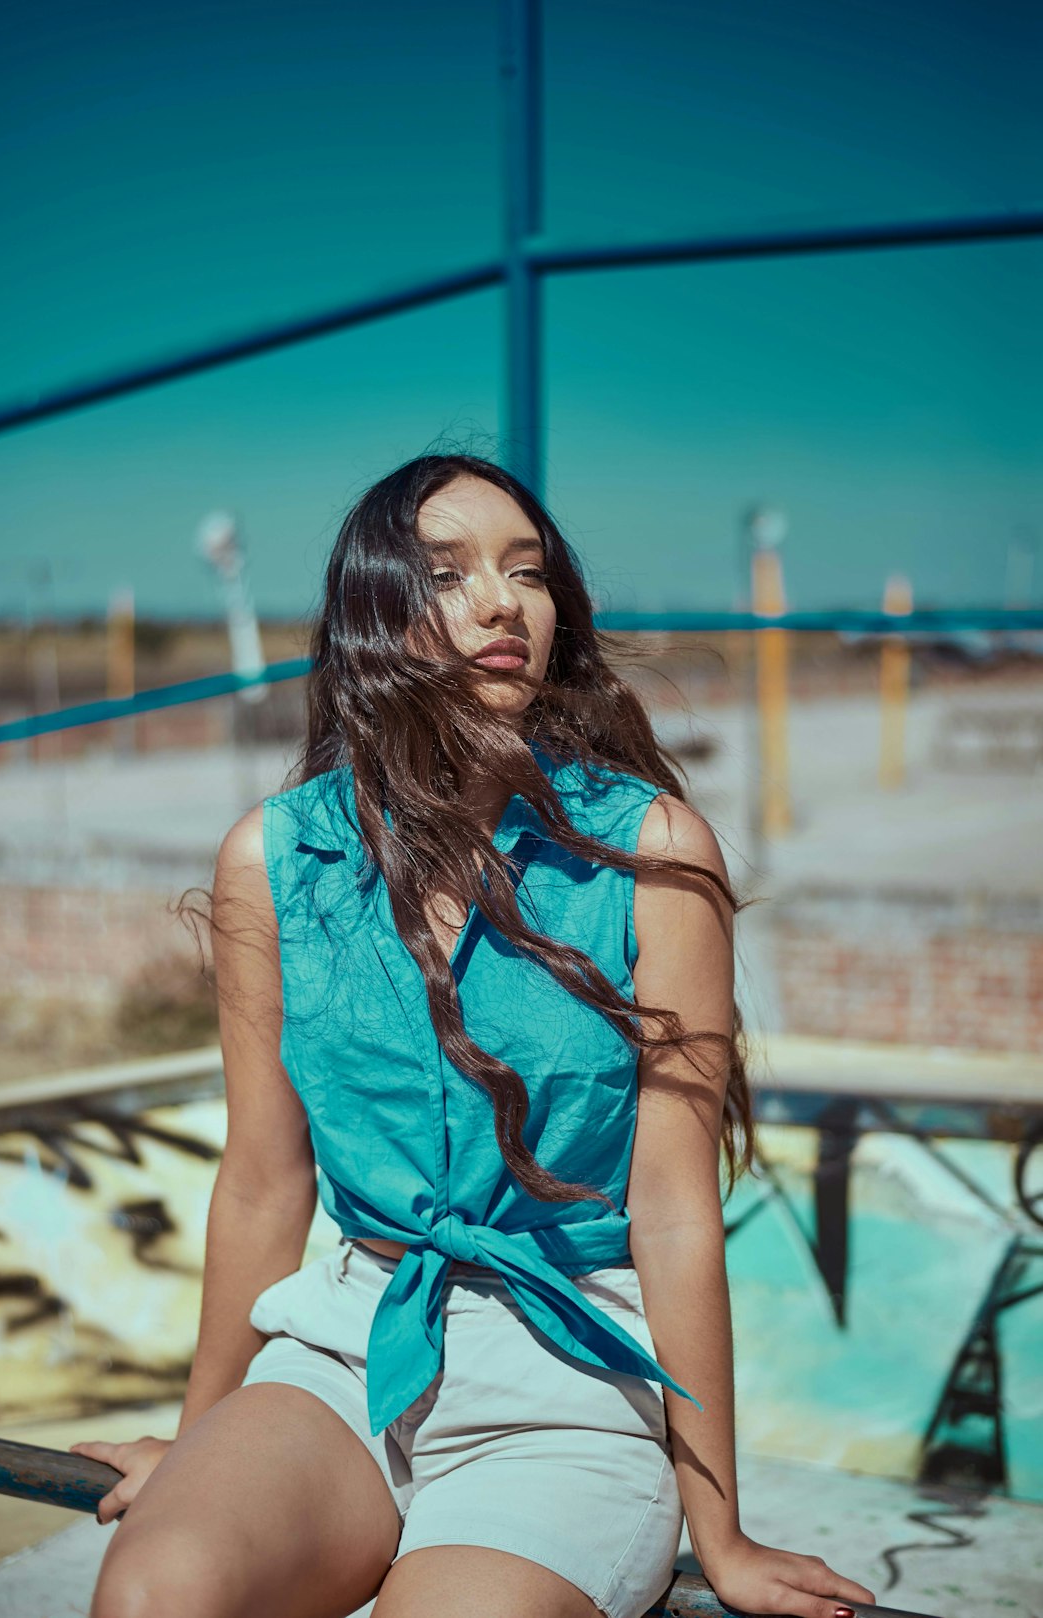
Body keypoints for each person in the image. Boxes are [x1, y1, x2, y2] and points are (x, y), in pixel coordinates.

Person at [72, 453, 876, 1618]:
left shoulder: (652, 852)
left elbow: (675, 1209)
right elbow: (261, 1179)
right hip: (348, 1344)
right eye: (447, 573)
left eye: (528, 572)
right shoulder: (275, 859)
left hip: (569, 1375)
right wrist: (195, 1441)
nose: (504, 602)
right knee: (154, 1595)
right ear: (372, 616)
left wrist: (727, 1535)